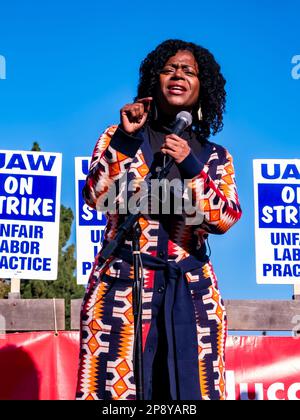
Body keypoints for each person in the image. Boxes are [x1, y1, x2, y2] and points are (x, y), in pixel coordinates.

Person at [76, 39, 242, 401]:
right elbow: (95, 197)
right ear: (155, 80)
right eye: (169, 69)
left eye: (189, 71)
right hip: (120, 291)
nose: (178, 75)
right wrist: (124, 140)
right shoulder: (121, 135)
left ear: (203, 88)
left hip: (191, 295)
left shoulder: (214, 157)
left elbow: (225, 217)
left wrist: (191, 165)